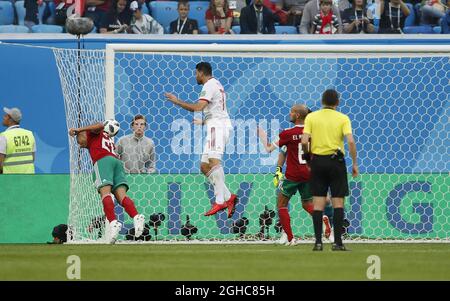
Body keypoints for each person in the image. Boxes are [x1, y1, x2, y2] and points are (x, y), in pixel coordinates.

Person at [164, 62, 237, 218]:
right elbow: (218, 110)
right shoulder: (217, 83)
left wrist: (176, 101)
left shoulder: (209, 85)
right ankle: (229, 197)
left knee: (214, 161)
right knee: (204, 166)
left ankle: (219, 201)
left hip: (218, 127)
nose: (195, 76)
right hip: (215, 124)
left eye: (196, 73)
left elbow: (198, 107)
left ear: (201, 72)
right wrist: (204, 121)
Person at [257, 105, 333, 246]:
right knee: (307, 204)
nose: (289, 113)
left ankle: (290, 238)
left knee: (281, 205)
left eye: (292, 112)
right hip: (309, 174)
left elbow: (269, 149)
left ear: (297, 115)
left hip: (293, 175)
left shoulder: (287, 133)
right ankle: (322, 218)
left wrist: (261, 134)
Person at [68, 121, 145, 244]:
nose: (79, 143)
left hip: (103, 161)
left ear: (84, 134)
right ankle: (137, 216)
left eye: (79, 140)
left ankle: (114, 223)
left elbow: (99, 125)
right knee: (121, 197)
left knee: (105, 194)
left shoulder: (92, 132)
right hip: (116, 162)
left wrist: (78, 130)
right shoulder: (105, 138)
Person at [301, 89, 359, 251]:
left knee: (318, 204)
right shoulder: (343, 118)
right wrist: (354, 163)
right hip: (336, 162)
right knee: (338, 203)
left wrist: (307, 158)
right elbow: (351, 142)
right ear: (337, 103)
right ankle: (337, 243)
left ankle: (318, 243)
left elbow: (304, 141)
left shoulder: (312, 117)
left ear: (322, 102)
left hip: (318, 162)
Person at [0, 107, 36, 174]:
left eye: (6, 116)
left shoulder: (4, 136)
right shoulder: (30, 134)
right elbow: (33, 158)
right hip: (29, 178)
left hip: (10, 179)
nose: (3, 117)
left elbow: (0, 163)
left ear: (11, 120)